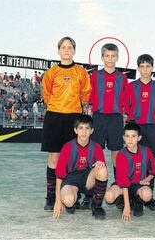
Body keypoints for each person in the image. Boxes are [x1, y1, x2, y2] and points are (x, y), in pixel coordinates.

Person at [41, 36, 92, 211]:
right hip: (54, 117)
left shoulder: (81, 71)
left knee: (72, 158)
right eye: (63, 47)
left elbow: (86, 93)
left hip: (74, 118)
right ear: (59, 50)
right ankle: (50, 197)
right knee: (54, 158)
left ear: (74, 51)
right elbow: (47, 94)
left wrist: (75, 108)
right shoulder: (51, 72)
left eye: (70, 47)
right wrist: (58, 106)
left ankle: (72, 194)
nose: (67, 50)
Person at [125, 54, 155, 211]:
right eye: (142, 66)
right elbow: (126, 108)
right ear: (138, 68)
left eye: (148, 66)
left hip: (152, 127)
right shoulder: (131, 86)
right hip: (135, 126)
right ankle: (135, 198)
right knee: (134, 161)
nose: (145, 69)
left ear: (153, 68)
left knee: (150, 161)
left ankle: (149, 198)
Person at [53, 115, 108, 220]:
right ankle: (74, 198)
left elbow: (102, 170)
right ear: (75, 130)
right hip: (71, 179)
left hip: (88, 179)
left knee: (102, 170)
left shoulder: (96, 147)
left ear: (92, 131)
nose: (84, 132)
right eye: (81, 128)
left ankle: (97, 206)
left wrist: (99, 165)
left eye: (87, 128)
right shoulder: (67, 147)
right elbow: (59, 176)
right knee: (68, 201)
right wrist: (58, 201)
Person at [89, 43, 128, 182]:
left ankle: (118, 186)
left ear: (117, 57)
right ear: (102, 57)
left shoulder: (122, 78)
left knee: (116, 154)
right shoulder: (95, 76)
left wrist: (125, 114)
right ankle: (91, 190)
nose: (110, 59)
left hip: (116, 118)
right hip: (98, 117)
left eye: (113, 56)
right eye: (107, 56)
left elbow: (125, 98)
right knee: (95, 152)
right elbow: (91, 96)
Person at [104, 123, 155, 222]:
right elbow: (123, 182)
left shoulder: (146, 151)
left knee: (147, 195)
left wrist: (147, 179)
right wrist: (127, 208)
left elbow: (153, 170)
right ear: (123, 138)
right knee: (109, 197)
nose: (130, 139)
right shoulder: (121, 155)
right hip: (123, 186)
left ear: (139, 137)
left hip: (139, 185)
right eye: (127, 136)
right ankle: (125, 202)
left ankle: (138, 202)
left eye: (133, 136)